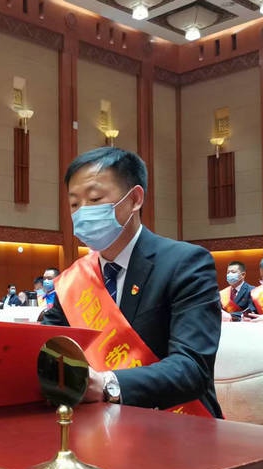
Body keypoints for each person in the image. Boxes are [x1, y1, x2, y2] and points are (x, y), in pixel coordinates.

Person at [41, 147, 222, 417]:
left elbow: (192, 368)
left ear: (135, 199)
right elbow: (47, 345)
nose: (82, 213)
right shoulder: (74, 279)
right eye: (74, 204)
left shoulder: (186, 263)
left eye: (95, 198)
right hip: (95, 421)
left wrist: (107, 385)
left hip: (175, 421)